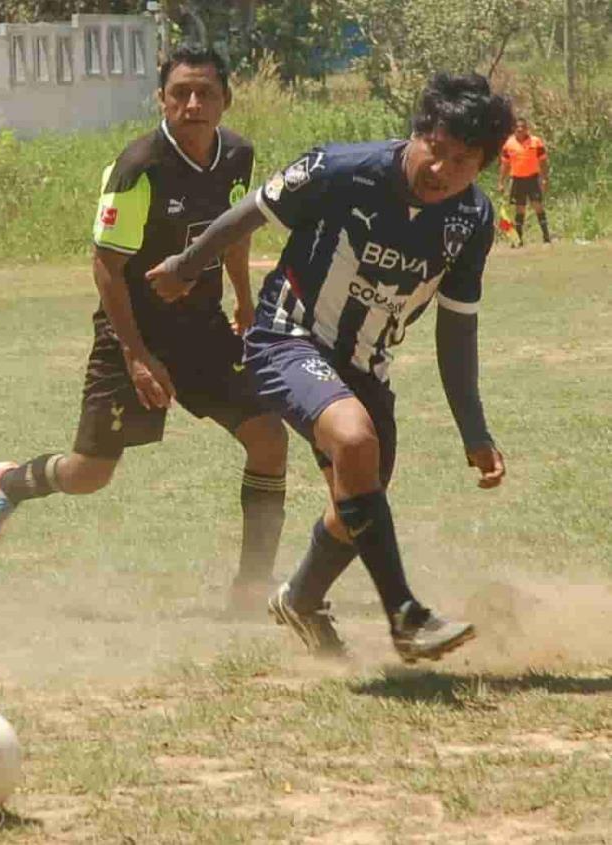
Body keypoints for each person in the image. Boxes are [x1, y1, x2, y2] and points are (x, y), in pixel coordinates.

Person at [147, 72, 513, 662]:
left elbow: (457, 327)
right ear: (417, 135)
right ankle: (406, 616)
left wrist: (473, 429)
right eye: (435, 150)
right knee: (354, 439)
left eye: (462, 161)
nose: (441, 170)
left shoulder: (471, 220)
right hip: (288, 337)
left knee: (356, 500)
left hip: (367, 366)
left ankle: (301, 598)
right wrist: (188, 265)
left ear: (483, 166)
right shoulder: (344, 169)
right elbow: (253, 211)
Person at [0, 46, 289, 613]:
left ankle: (253, 586)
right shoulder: (140, 167)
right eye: (180, 93)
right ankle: (10, 484)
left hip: (204, 330)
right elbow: (106, 266)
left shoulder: (237, 155)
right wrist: (137, 355)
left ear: (225, 100)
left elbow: (233, 232)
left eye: (206, 92)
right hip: (132, 333)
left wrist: (243, 298)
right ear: (161, 100)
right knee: (91, 474)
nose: (193, 103)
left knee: (268, 439)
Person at [498, 117, 550, 246]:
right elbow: (505, 165)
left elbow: (543, 161)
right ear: (514, 129)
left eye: (523, 127)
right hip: (517, 180)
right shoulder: (509, 144)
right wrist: (501, 182)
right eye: (518, 127)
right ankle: (518, 239)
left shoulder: (536, 142)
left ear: (527, 128)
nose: (520, 129)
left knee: (538, 206)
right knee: (519, 209)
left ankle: (546, 237)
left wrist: (544, 178)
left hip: (532, 178)